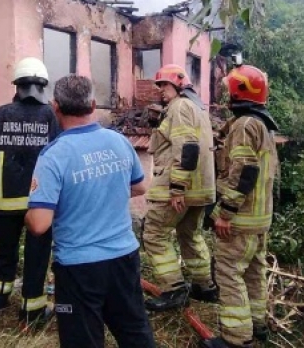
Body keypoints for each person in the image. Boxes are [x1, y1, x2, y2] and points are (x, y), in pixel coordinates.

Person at [25, 75, 156, 348]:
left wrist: (30, 207)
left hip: (78, 268)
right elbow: (141, 186)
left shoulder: (53, 156)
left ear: (55, 106)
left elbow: (39, 224)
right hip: (124, 258)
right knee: (135, 333)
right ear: (93, 104)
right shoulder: (118, 141)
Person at [0, 57, 60, 326]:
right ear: (43, 85)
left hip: (5, 204)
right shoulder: (51, 117)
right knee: (37, 258)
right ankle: (32, 312)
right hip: (40, 205)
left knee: (5, 251)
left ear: (17, 85)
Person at [207, 65, 279, 348]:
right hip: (260, 219)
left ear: (238, 92)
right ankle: (258, 325)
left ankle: (236, 338)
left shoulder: (246, 125)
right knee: (253, 272)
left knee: (229, 272)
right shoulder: (263, 125)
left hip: (240, 221)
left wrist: (225, 213)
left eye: (229, 89)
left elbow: (243, 171)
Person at [143, 64, 218, 311]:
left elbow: (187, 147)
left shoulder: (180, 107)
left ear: (177, 84)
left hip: (178, 188)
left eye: (164, 85)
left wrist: (177, 187)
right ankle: (203, 286)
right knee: (190, 234)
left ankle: (173, 289)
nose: (161, 90)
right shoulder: (198, 108)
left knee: (155, 234)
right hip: (200, 189)